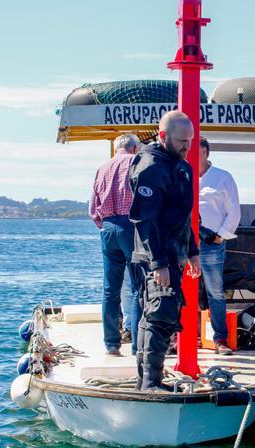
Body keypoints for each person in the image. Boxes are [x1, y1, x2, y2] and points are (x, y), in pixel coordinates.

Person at [129, 111, 201, 391]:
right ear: (163, 136)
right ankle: (149, 383)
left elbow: (184, 214)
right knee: (159, 315)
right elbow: (144, 219)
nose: (187, 147)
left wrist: (192, 250)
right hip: (154, 255)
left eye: (190, 141)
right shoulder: (151, 166)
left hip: (174, 253)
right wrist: (157, 262)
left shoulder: (181, 166)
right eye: (182, 141)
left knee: (159, 317)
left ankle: (148, 381)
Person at [89, 133, 143, 356]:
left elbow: (93, 209)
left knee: (110, 290)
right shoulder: (137, 163)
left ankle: (111, 344)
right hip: (131, 227)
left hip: (108, 228)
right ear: (134, 148)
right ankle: (137, 344)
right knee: (140, 287)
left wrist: (105, 224)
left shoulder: (102, 168)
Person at [197, 137, 241, 356]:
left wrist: (220, 236)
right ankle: (183, 338)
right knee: (183, 291)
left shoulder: (223, 178)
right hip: (184, 245)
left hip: (210, 245)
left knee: (215, 292)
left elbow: (234, 211)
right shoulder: (181, 174)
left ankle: (220, 338)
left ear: (204, 151)